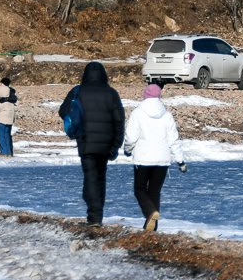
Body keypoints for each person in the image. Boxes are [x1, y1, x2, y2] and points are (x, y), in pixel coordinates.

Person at [59, 62, 125, 226]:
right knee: (100, 178)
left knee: (90, 177)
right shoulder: (111, 93)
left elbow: (63, 111)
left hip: (85, 141)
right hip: (105, 145)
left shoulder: (78, 91)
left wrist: (76, 118)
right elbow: (119, 121)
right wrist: (116, 145)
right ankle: (97, 215)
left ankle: (93, 215)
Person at [123, 83, 186, 231]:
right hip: (162, 161)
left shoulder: (138, 113)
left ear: (145, 96)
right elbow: (173, 140)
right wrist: (180, 160)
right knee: (154, 191)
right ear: (159, 97)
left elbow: (131, 137)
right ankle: (151, 227)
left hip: (143, 159)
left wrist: (127, 149)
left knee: (139, 189)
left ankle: (151, 213)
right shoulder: (167, 115)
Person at [0, 76, 16, 156]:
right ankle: (9, 152)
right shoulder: (11, 94)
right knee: (7, 135)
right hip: (10, 117)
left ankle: (4, 152)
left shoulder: (2, 93)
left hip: (3, 118)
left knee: (1, 135)